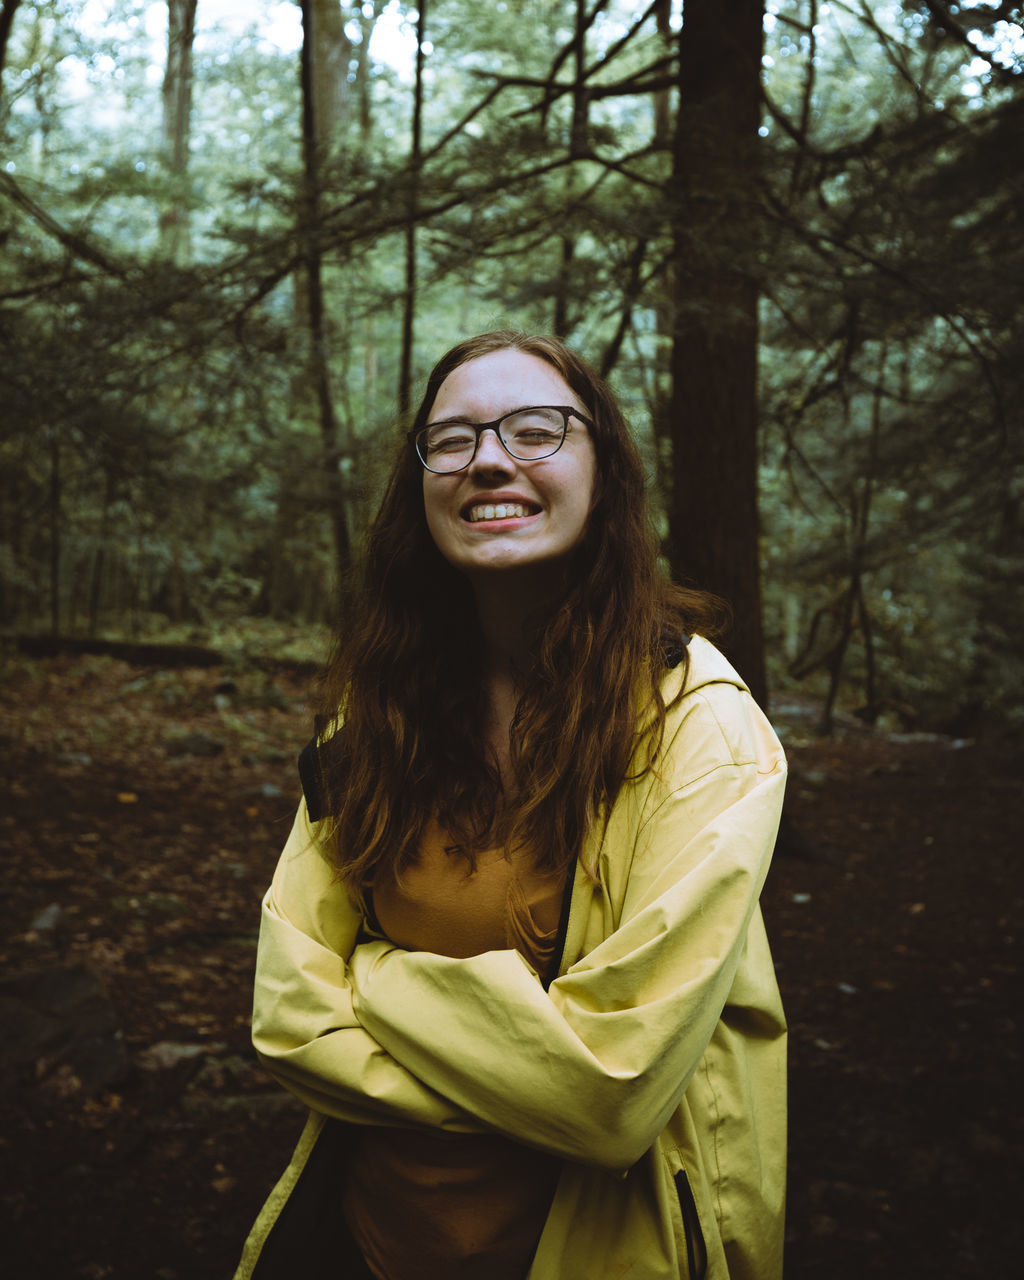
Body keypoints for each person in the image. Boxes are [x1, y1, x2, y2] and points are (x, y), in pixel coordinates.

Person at [233, 330, 787, 1280]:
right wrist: (522, 1062)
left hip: (607, 1249)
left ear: (604, 471)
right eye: (451, 440)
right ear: (421, 488)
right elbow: (287, 1018)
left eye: (535, 430)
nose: (489, 459)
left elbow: (611, 1093)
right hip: (369, 1245)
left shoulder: (702, 728)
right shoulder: (378, 717)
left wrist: (377, 979)